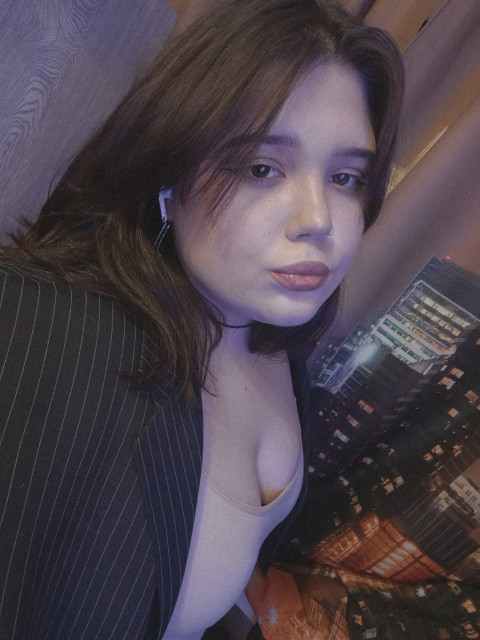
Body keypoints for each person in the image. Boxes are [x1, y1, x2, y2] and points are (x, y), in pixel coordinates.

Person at [0, 0, 404, 638]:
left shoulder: (272, 334)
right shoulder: (36, 329)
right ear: (168, 173)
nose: (319, 220)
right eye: (262, 168)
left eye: (346, 177)